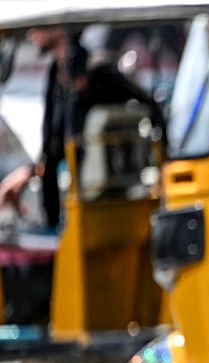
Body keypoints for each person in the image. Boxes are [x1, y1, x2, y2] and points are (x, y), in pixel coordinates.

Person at [0, 28, 164, 226]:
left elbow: (150, 107)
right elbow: (55, 144)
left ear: (59, 27)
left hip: (98, 209)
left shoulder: (96, 70)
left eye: (39, 26)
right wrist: (30, 172)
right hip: (62, 212)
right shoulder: (55, 71)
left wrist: (165, 164)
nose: (31, 34)